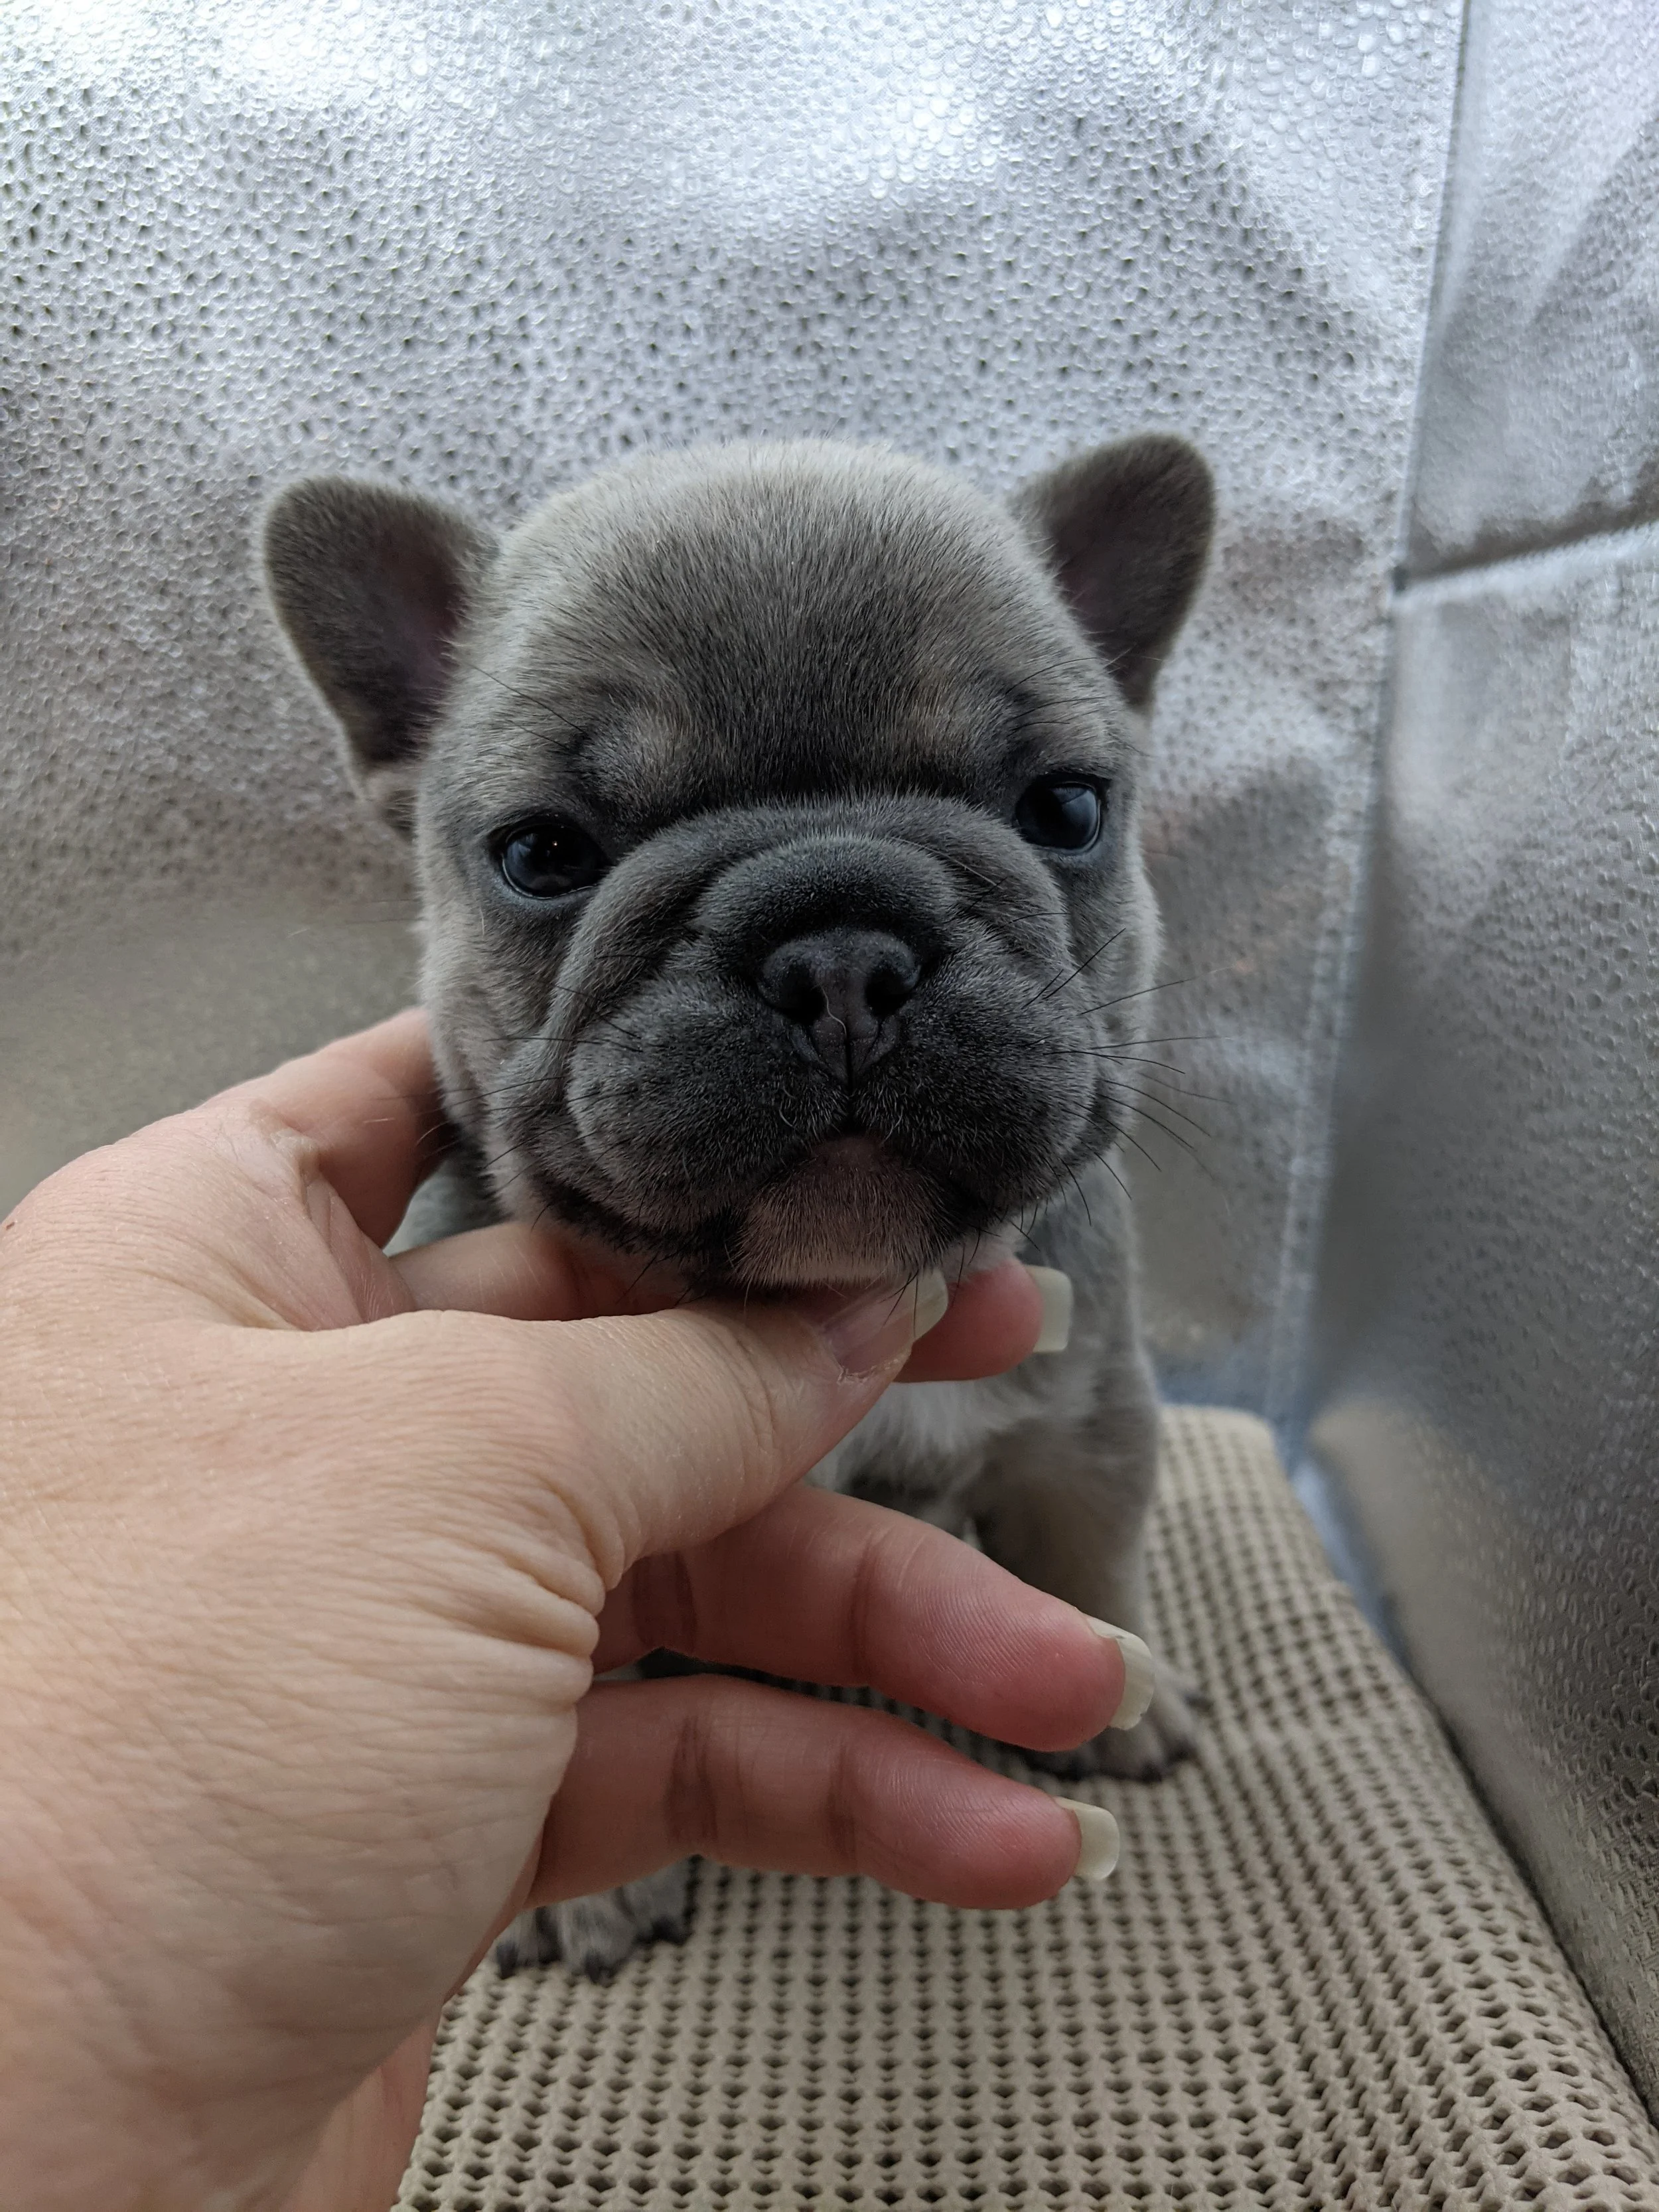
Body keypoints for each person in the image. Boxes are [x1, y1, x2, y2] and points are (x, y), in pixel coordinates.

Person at [0, 1012, 1135, 2212]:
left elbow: (1089, 1443)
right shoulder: (449, 1269)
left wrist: (1100, 1611)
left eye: (1056, 812)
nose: (840, 987)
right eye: (554, 856)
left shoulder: (1069, 1247)